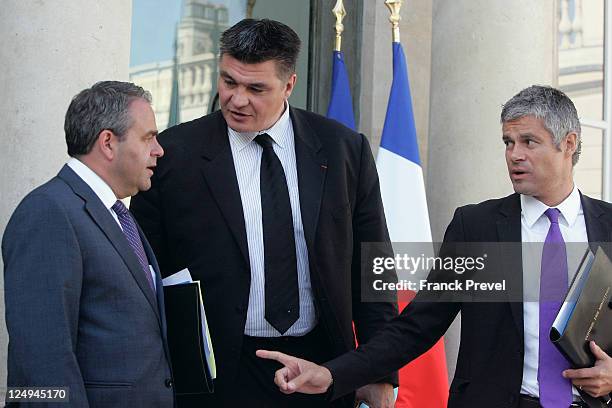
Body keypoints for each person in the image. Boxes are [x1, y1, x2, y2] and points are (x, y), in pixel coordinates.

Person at [258, 85, 612, 408]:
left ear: (568, 143)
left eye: (528, 142)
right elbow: (416, 327)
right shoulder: (478, 229)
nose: (514, 155)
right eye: (508, 142)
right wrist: (333, 374)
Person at [129, 18, 398, 408]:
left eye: (256, 88)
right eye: (228, 82)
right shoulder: (174, 154)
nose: (237, 100)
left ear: (289, 84)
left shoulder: (343, 150)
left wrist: (378, 369)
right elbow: (146, 273)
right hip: (216, 377)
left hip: (322, 369)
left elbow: (374, 269)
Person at [2, 81, 174, 407]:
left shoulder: (117, 214)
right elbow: (41, 359)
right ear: (108, 143)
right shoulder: (48, 212)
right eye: (148, 137)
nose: (159, 150)